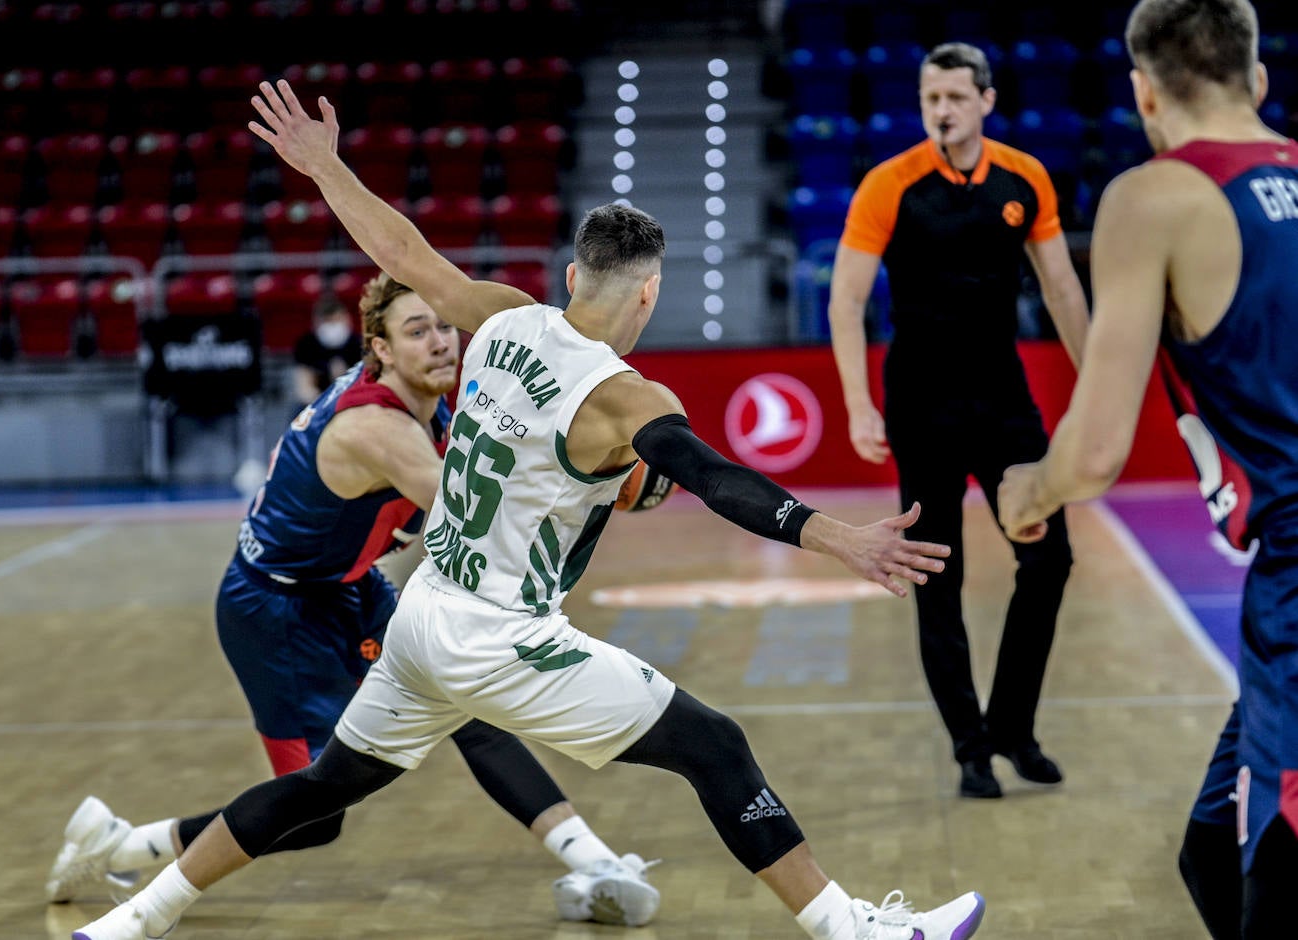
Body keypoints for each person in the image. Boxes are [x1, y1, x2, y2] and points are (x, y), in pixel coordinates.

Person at [71, 78, 985, 940]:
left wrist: (325, 167)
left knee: (324, 787)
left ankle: (130, 921)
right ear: (649, 292)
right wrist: (838, 538)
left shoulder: (504, 319)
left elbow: (401, 254)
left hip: (423, 613)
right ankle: (852, 928)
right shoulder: (627, 400)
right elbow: (714, 479)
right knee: (714, 745)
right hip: (499, 635)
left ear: (573, 277)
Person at [49, 270, 661, 927]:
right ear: (382, 349)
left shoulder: (431, 400)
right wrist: (598, 474)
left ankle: (594, 861)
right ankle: (122, 846)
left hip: (348, 584)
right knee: (317, 816)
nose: (440, 342)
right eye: (416, 331)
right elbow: (480, 519)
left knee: (468, 705)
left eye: (444, 326)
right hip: (277, 612)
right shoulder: (377, 427)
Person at [995, 1, 1298, 935]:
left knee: (1271, 886)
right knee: (1210, 850)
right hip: (1280, 591)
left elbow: (1095, 453)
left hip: (1294, 578)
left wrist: (1029, 490)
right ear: (1257, 79)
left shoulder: (1155, 197)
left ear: (1144, 94)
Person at [826, 42, 1091, 799]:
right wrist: (857, 404)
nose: (940, 110)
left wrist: (1100, 381)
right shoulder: (890, 183)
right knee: (938, 578)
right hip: (922, 402)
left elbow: (1062, 289)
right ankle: (971, 748)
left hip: (1004, 399)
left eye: (953, 97)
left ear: (986, 101)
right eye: (929, 98)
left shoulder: (1024, 177)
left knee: (1050, 559)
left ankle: (1014, 728)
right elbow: (847, 299)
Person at [291, 289, 363, 406]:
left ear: (347, 319)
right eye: (328, 321)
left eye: (337, 320)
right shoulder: (307, 344)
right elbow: (304, 388)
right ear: (317, 322)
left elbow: (365, 384)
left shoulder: (358, 344)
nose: (333, 326)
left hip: (352, 399)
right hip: (318, 401)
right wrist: (325, 405)